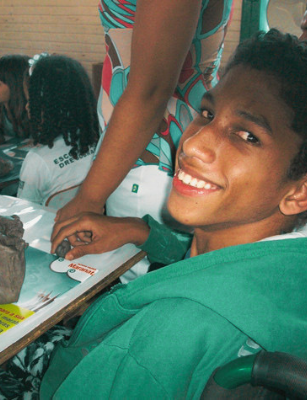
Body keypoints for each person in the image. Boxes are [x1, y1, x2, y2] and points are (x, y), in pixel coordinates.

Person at [0, 29, 307, 399]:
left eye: (247, 135)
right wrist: (136, 231)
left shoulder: (165, 338)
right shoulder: (282, 264)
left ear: (299, 191)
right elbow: (215, 267)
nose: (192, 144)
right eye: (207, 113)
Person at [55, 0, 234, 281]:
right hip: (148, 155)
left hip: (151, 156)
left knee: (140, 294)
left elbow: (150, 92)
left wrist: (89, 197)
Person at [17, 54, 100, 206]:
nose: (27, 107)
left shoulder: (37, 161)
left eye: (31, 101)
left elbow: (24, 214)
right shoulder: (101, 143)